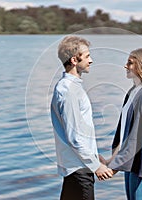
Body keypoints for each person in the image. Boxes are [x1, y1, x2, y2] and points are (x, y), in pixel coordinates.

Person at [50, 36, 113, 200]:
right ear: (74, 60)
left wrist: (94, 155)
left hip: (76, 166)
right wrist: (95, 166)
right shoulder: (69, 90)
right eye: (87, 56)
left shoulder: (70, 87)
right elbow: (75, 136)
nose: (91, 60)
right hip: (80, 169)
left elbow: (81, 130)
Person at [105, 48, 142, 200]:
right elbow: (124, 132)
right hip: (131, 164)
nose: (125, 66)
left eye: (130, 63)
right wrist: (112, 159)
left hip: (141, 165)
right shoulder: (133, 92)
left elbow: (139, 137)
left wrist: (114, 168)